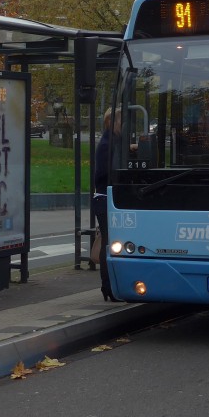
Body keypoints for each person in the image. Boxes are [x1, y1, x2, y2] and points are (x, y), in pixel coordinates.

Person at [92, 108, 116, 301]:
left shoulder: (112, 143)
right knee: (109, 243)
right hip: (104, 198)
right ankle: (107, 286)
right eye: (121, 121)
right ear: (111, 121)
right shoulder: (107, 145)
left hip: (106, 198)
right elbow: (101, 174)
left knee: (110, 242)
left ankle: (109, 286)